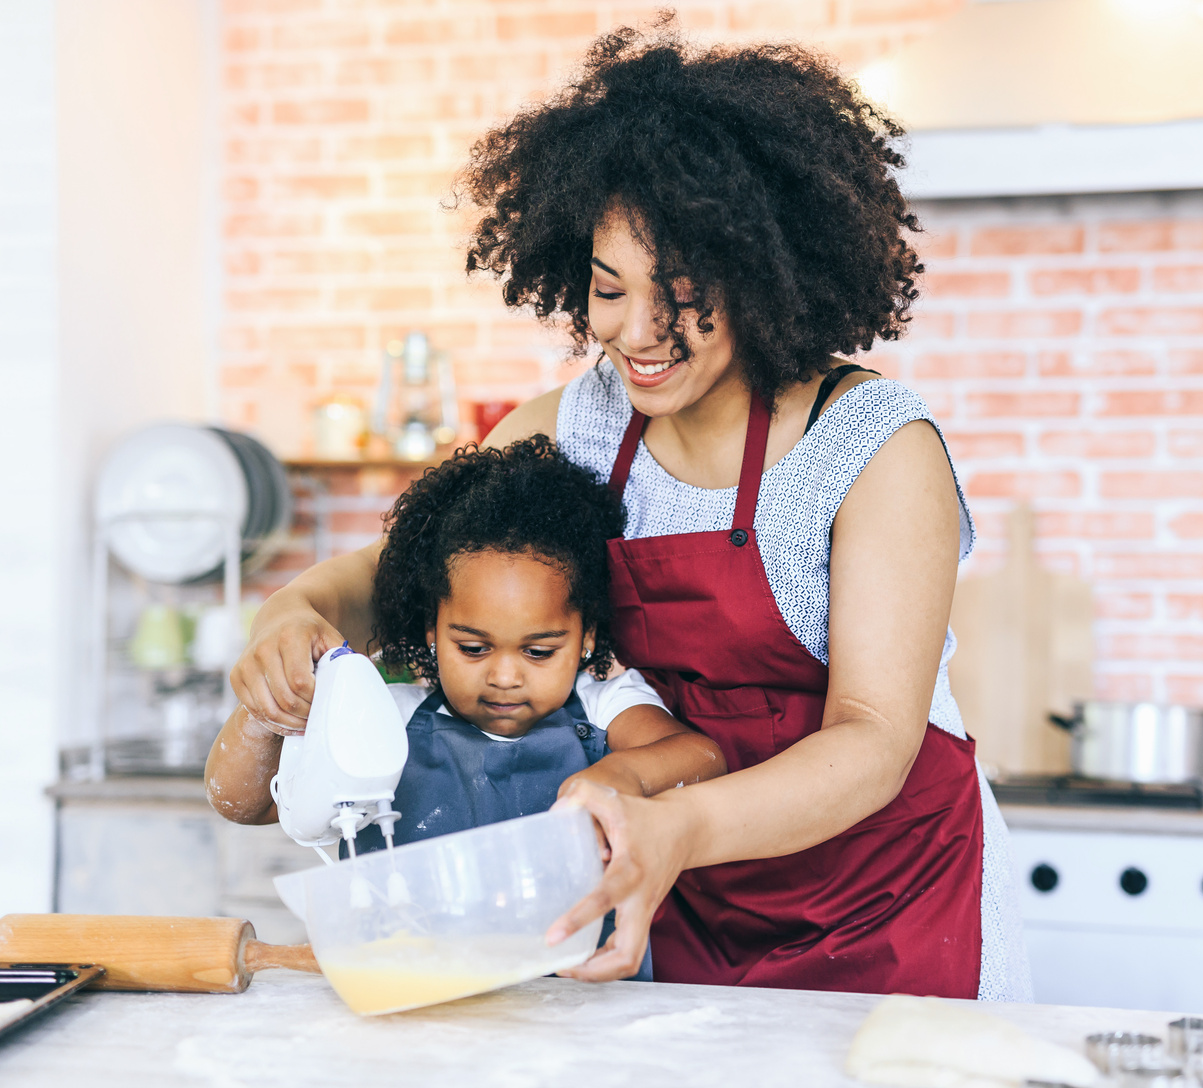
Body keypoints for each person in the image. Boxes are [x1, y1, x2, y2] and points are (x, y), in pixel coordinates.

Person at [230, 22, 1031, 1001]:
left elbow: (871, 738)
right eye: (610, 289)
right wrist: (287, 617)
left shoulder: (871, 449)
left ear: (769, 276)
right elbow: (388, 572)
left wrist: (679, 823)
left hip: (889, 896)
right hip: (673, 882)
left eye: (683, 298)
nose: (637, 334)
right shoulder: (575, 428)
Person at [205, 440, 727, 981]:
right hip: (414, 1011)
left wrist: (622, 775)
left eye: (539, 651)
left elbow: (700, 757)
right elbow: (242, 802)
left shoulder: (604, 706)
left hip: (583, 1009)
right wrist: (269, 705)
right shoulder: (387, 721)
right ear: (432, 630)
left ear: (585, 635)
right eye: (473, 649)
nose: (504, 676)